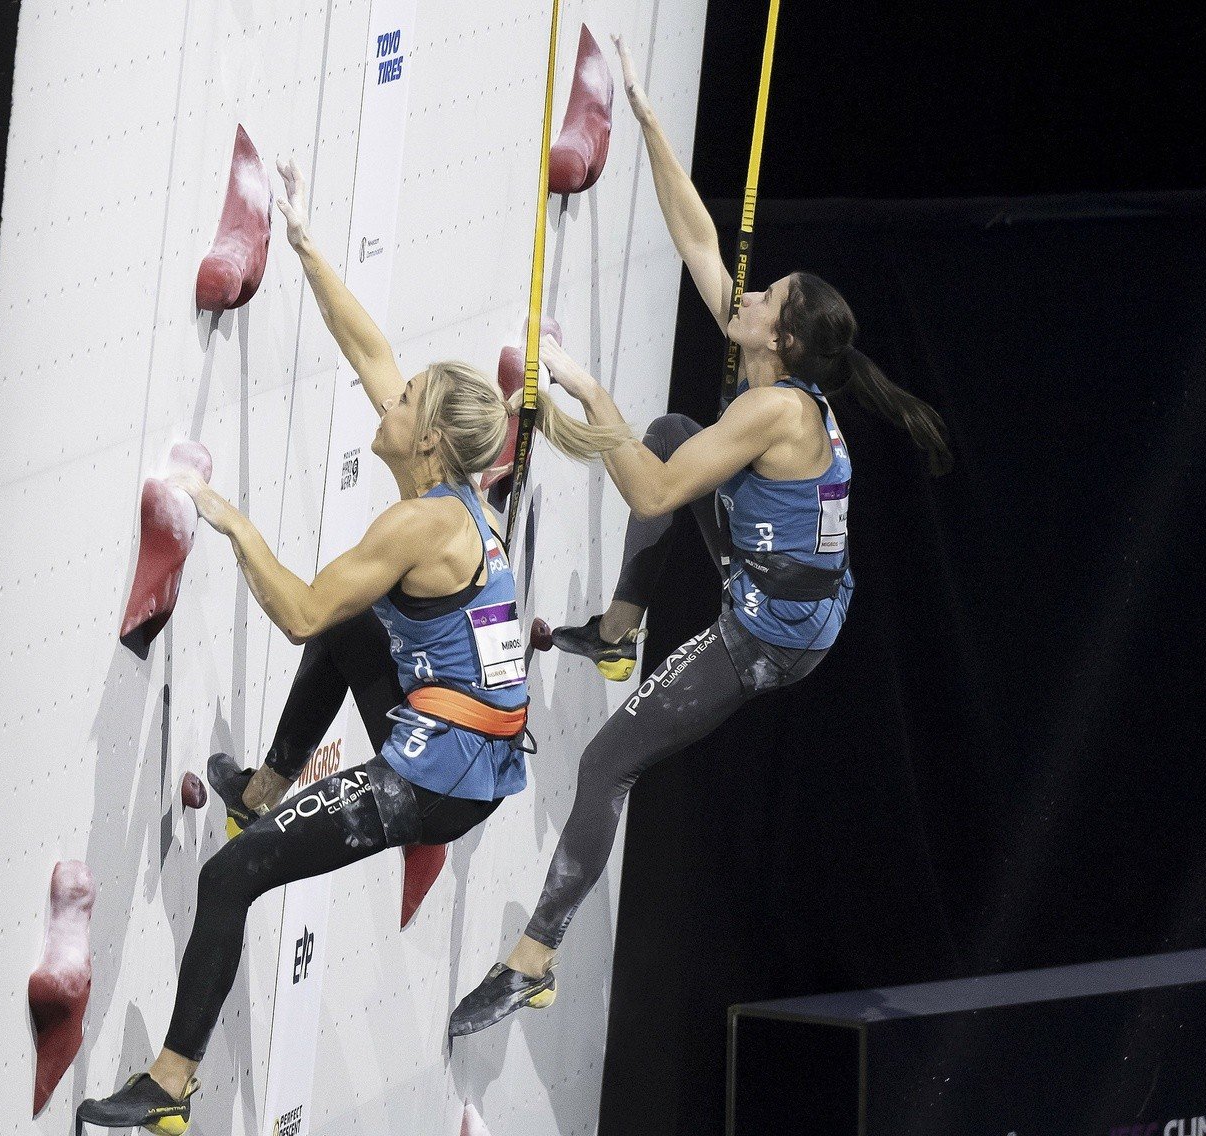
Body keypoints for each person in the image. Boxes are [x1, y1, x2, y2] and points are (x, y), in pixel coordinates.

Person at [75, 160, 626, 1134]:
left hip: (438, 780)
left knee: (228, 877)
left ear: (425, 443)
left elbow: (294, 607)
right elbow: (367, 342)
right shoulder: (447, 488)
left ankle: (169, 1082)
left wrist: (228, 520)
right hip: (472, 740)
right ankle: (264, 789)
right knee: (354, 621)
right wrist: (302, 239)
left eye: (405, 398)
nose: (390, 396)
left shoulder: (420, 531)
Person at [447, 36, 953, 1038]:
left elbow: (650, 481)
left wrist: (587, 392)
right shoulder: (770, 370)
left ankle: (532, 959)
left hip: (770, 640)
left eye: (765, 302)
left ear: (784, 341)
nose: (748, 298)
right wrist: (644, 120)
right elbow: (701, 248)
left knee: (607, 766)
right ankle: (621, 628)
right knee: (678, 426)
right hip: (780, 577)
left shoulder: (776, 416)